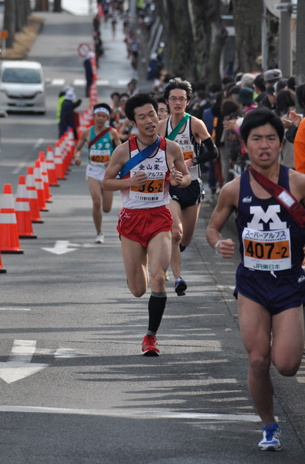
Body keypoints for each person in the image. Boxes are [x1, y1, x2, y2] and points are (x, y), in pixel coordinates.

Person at [206, 108, 305, 451]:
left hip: (288, 283)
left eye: (270, 138)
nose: (264, 145)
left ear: (280, 143)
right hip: (253, 285)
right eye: (256, 139)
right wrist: (220, 244)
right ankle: (269, 425)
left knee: (286, 365)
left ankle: (280, 347)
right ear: (244, 146)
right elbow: (212, 228)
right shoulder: (233, 189)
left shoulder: (299, 182)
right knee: (258, 359)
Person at [102, 93, 191, 355]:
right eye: (142, 117)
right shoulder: (123, 150)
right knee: (138, 290)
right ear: (134, 122)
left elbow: (186, 178)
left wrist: (178, 180)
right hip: (131, 220)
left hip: (160, 217)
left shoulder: (171, 148)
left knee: (158, 280)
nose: (150, 120)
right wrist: (129, 182)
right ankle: (134, 271)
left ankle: (150, 338)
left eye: (152, 114)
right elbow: (107, 182)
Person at [158, 77, 218, 296]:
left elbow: (213, 152)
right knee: (175, 233)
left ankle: (172, 253)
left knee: (186, 238)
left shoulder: (195, 124)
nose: (177, 103)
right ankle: (178, 278)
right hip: (171, 186)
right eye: (173, 99)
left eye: (181, 99)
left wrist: (190, 162)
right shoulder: (161, 126)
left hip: (192, 185)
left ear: (188, 102)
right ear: (167, 101)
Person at [74, 103, 121, 243]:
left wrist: (112, 160)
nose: (100, 118)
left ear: (107, 118)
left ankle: (100, 226)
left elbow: (120, 150)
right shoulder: (87, 132)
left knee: (106, 208)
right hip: (93, 170)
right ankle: (99, 232)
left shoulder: (112, 132)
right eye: (98, 115)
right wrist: (77, 157)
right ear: (94, 116)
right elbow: (77, 149)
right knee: (96, 202)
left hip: (108, 172)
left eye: (103, 116)